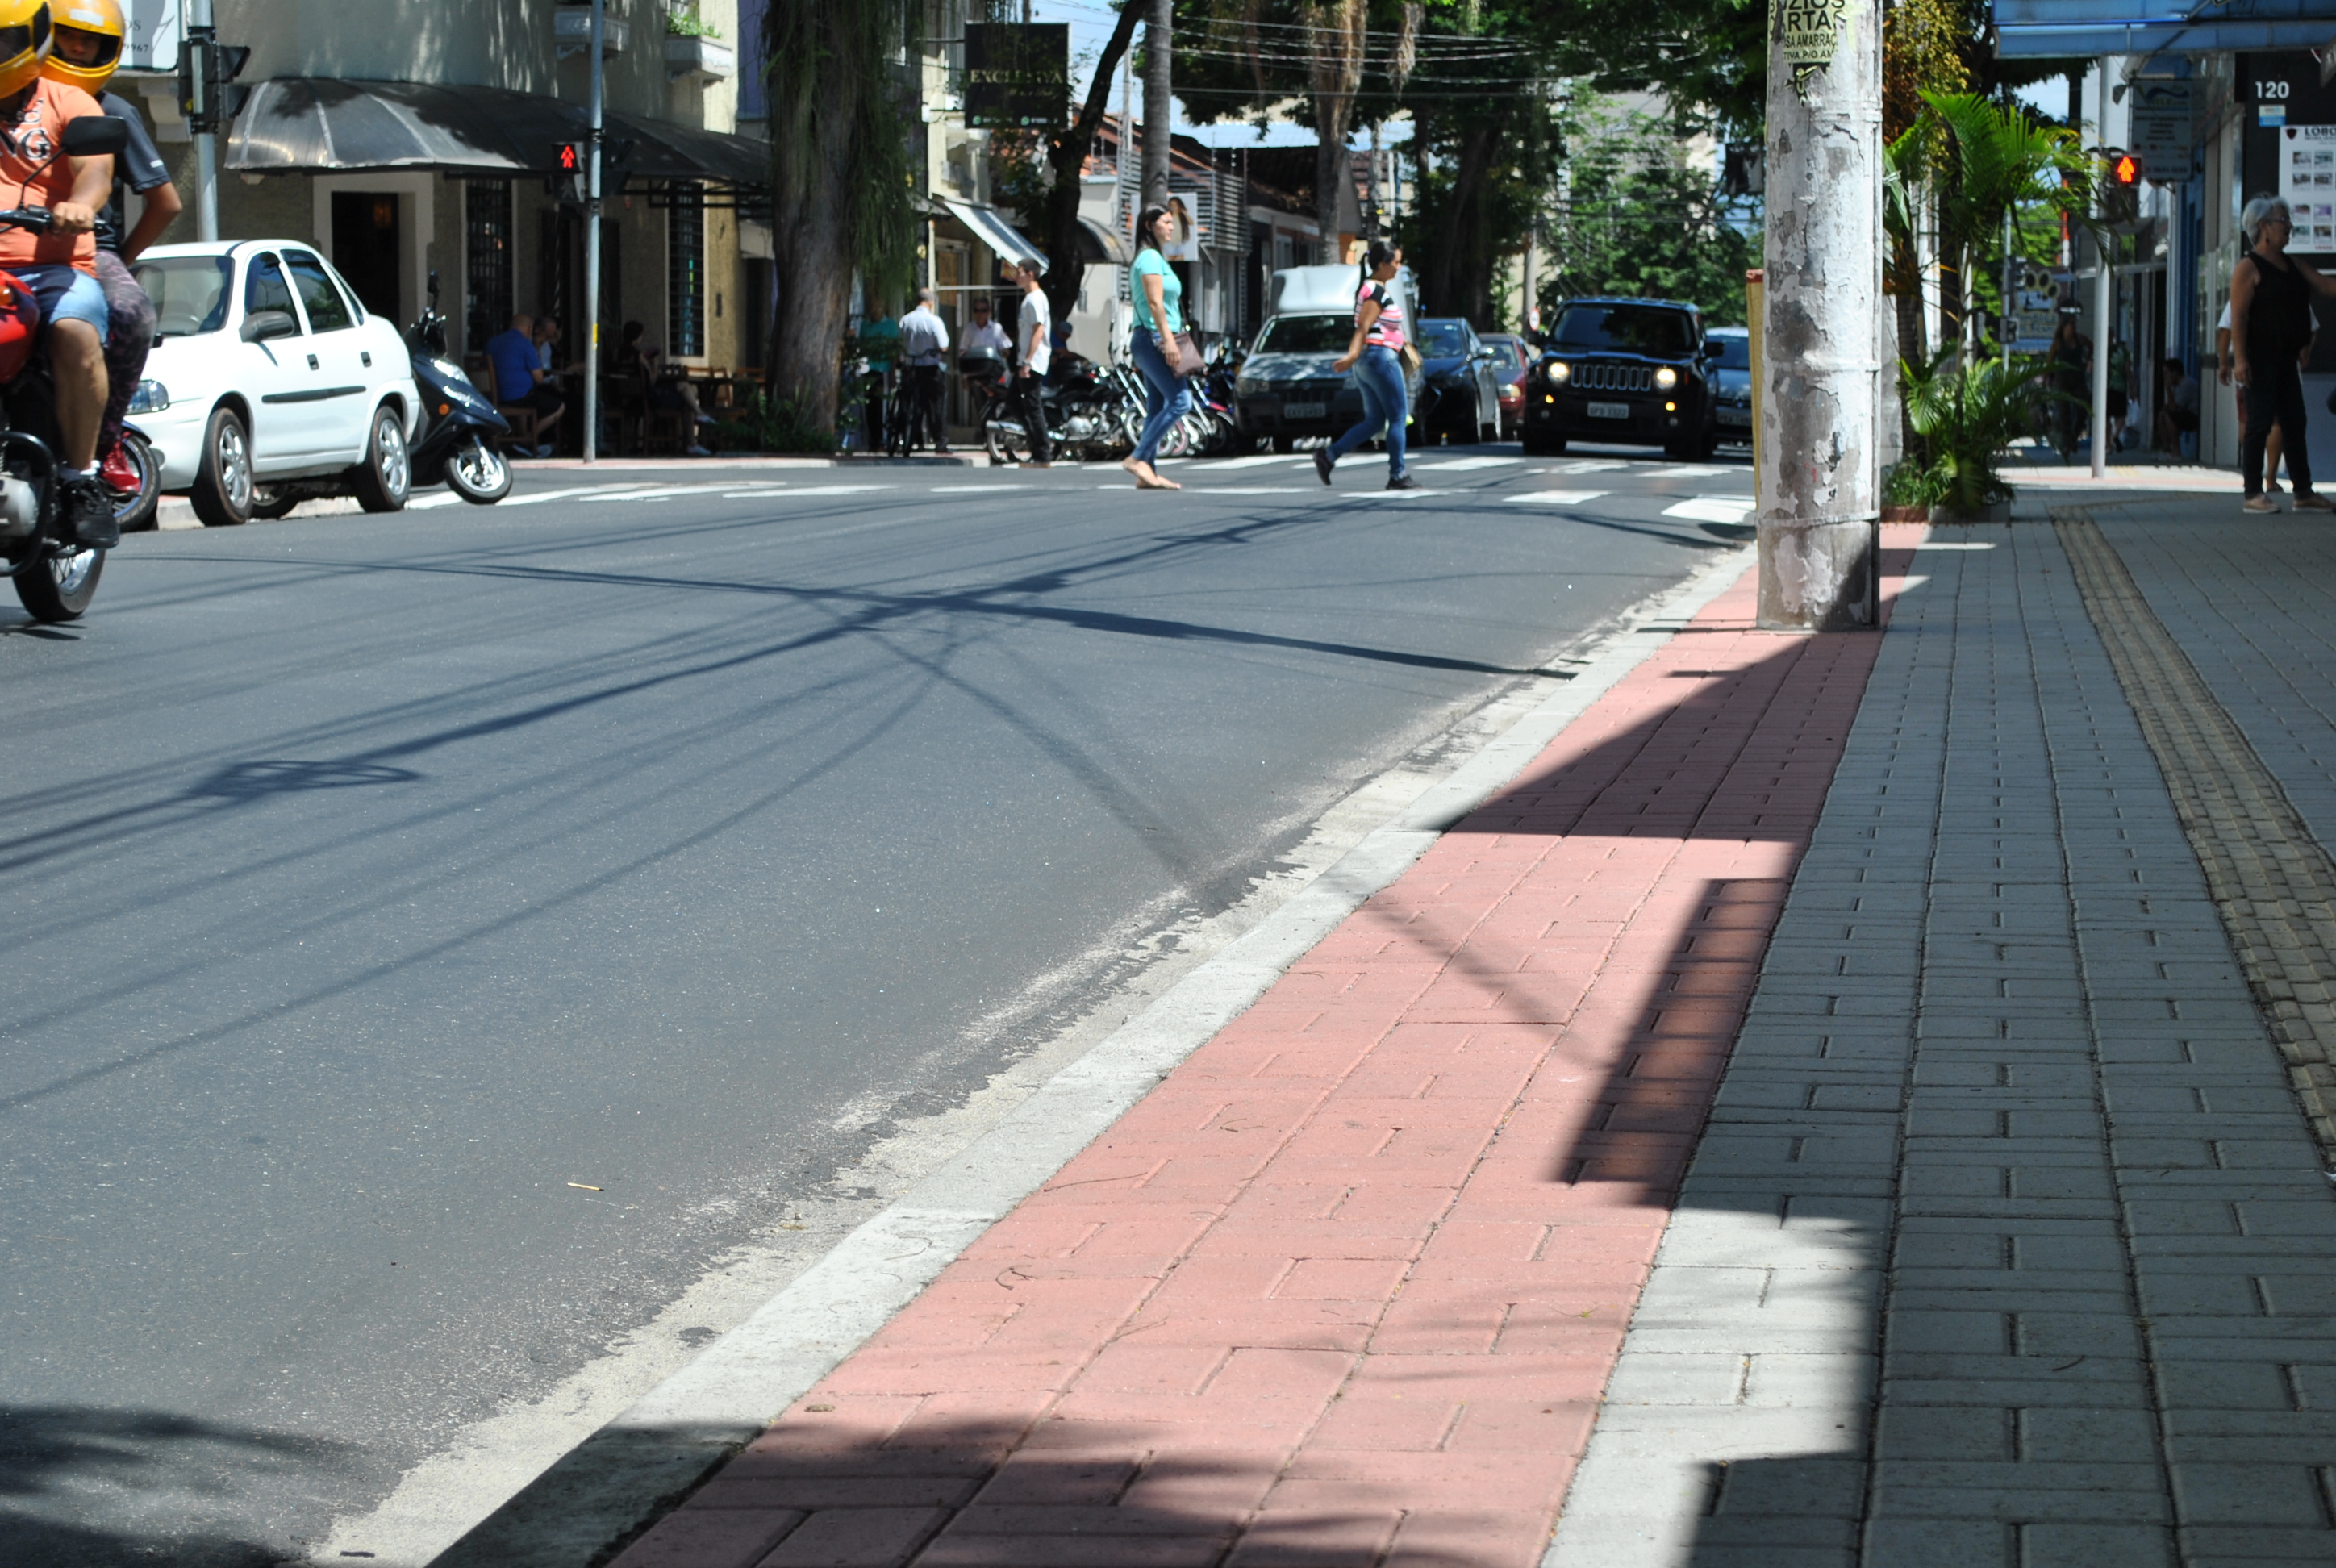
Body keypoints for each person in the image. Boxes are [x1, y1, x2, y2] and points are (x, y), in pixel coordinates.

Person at [0, 2, 123, 548]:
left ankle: (80, 480)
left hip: (51, 268)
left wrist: (81, 204)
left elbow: (95, 169)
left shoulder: (66, 99)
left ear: (33, 39)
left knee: (75, 331)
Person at [45, 0, 174, 503]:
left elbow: (165, 202)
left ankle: (107, 435)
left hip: (87, 249)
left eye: (90, 40)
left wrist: (118, 255)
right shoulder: (15, 98)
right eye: (67, 36)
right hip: (14, 248)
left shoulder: (110, 110)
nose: (78, 47)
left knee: (130, 311)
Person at [2230, 194, 2336, 513]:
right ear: (2263, 227)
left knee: (2294, 422)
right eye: (2282, 221)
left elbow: (2325, 286)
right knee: (2260, 423)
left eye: (2288, 220)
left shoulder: (2292, 265)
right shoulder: (2249, 268)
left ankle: (2303, 492)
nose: (2289, 227)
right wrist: (2240, 360)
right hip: (2259, 358)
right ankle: (2252, 493)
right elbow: (2238, 316)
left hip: (2287, 359)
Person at [1315, 238, 1419, 491]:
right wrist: (1351, 354)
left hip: (1370, 361)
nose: (1398, 266)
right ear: (1382, 264)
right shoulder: (1375, 291)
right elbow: (1363, 327)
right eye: (1396, 262)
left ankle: (1328, 456)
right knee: (1397, 418)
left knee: (1374, 421)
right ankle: (1398, 475)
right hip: (1379, 357)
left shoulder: (1372, 288)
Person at [1124, 205, 1191, 490]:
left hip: (1151, 338)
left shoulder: (1154, 257)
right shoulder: (1150, 257)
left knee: (1157, 407)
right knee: (1181, 401)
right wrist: (1169, 340)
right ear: (1150, 225)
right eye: (1166, 222)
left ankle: (1147, 472)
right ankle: (1138, 457)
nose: (1171, 227)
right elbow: (1154, 304)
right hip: (1154, 339)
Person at [612, 320, 711, 457]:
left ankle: (698, 419)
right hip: (649, 399)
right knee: (685, 396)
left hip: (628, 400)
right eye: (641, 335)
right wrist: (655, 364)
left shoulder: (618, 354)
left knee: (684, 391)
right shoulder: (638, 356)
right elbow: (652, 380)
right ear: (636, 337)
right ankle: (694, 435)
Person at [2218, 298, 2284, 492]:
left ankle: (2251, 476)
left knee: (2247, 422)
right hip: (2282, 368)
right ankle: (2270, 478)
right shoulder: (2290, 290)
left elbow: (2225, 330)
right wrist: (2303, 353)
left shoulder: (2239, 298)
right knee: (2277, 423)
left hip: (2246, 369)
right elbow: (2310, 328)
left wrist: (2224, 363)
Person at [485, 312, 561, 457]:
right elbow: (539, 378)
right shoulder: (526, 345)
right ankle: (526, 439)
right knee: (558, 406)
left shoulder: (492, 342)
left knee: (526, 395)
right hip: (518, 398)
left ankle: (522, 443)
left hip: (495, 397)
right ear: (528, 329)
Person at [1011, 257, 1051, 469]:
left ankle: (1042, 452)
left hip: (1032, 362)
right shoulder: (1031, 298)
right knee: (1014, 401)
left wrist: (1027, 361)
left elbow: (1038, 330)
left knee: (1033, 407)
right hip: (1026, 360)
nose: (1016, 276)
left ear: (1030, 274)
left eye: (1019, 272)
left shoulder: (1035, 299)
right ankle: (1036, 445)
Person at [898, 288, 949, 454]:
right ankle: (939, 440)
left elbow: (899, 343)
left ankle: (914, 439)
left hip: (910, 367)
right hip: (929, 368)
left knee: (910, 402)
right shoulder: (934, 321)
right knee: (935, 406)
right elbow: (943, 345)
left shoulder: (905, 320)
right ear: (931, 302)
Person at [2047, 315, 2090, 461]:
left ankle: (2074, 436)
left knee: (2083, 407)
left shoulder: (2080, 339)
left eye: (2074, 325)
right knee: (2064, 411)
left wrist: (2088, 360)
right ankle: (2067, 443)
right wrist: (2047, 378)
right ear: (2064, 327)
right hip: (2062, 379)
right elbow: (2050, 362)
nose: (2073, 328)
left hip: (2078, 378)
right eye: (2071, 325)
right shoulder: (2058, 344)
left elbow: (2092, 346)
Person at [2157, 356, 2199, 453]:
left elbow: (2173, 407)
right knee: (2162, 416)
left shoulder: (2187, 384)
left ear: (2175, 373)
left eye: (2167, 373)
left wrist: (2168, 388)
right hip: (2185, 414)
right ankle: (2167, 449)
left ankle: (2176, 451)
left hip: (2195, 416)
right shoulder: (2176, 386)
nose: (2165, 377)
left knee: (2168, 417)